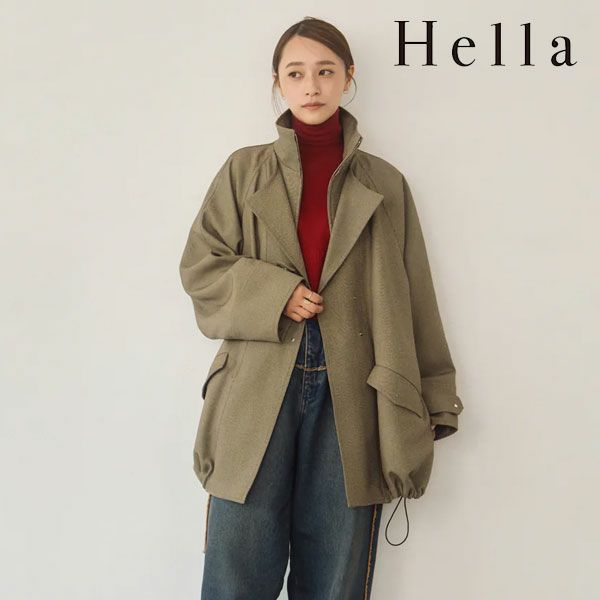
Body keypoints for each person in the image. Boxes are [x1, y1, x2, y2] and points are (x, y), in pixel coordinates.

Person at [179, 16, 463, 600]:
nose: (311, 86)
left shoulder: (386, 184)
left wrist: (435, 397)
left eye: (326, 71)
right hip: (256, 383)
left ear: (348, 77)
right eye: (296, 73)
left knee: (335, 573)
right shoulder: (243, 171)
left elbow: (415, 294)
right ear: (278, 83)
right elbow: (201, 267)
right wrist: (274, 293)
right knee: (237, 566)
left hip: (354, 387)